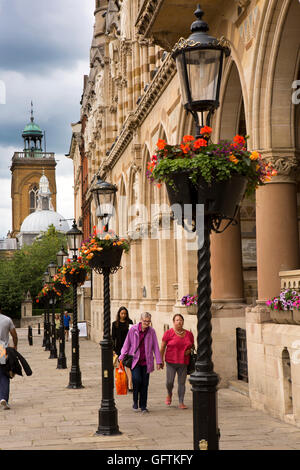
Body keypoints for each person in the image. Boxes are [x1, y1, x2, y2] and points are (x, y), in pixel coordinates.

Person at [119, 312, 163, 413]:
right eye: (145, 321)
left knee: (145, 384)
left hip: (147, 362)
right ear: (140, 320)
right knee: (136, 380)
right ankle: (135, 401)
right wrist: (121, 356)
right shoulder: (133, 330)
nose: (146, 323)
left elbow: (155, 346)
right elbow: (127, 344)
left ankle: (143, 406)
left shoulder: (152, 331)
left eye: (148, 321)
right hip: (135, 361)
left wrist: (159, 361)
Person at [160, 314, 194, 409]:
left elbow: (192, 345)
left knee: (182, 383)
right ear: (173, 322)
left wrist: (189, 350)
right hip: (171, 362)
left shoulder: (189, 334)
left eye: (181, 320)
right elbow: (162, 347)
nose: (179, 322)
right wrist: (160, 360)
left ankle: (181, 402)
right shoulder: (168, 333)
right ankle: (169, 394)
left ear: (183, 322)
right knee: (169, 382)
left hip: (183, 362)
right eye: (177, 320)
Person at [0, 307, 18, 410]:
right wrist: (15, 346)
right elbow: (14, 335)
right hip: (1, 348)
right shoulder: (7, 319)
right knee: (4, 374)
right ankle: (3, 398)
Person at [112, 306, 133, 391]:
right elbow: (113, 337)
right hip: (119, 348)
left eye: (125, 314)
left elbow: (133, 335)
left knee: (127, 365)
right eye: (122, 313)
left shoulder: (130, 322)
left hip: (129, 347)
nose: (123, 315)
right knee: (122, 366)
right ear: (119, 314)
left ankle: (129, 384)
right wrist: (113, 349)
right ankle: (125, 383)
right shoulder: (115, 324)